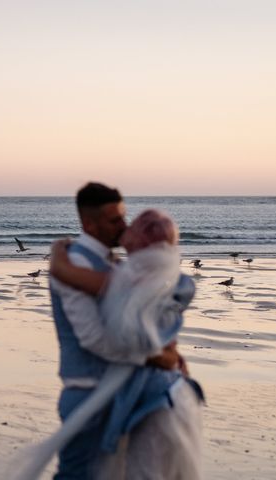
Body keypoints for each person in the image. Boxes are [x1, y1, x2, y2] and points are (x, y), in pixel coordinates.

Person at [47, 183, 190, 479]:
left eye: (124, 216)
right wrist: (155, 356)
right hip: (88, 394)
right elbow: (93, 338)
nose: (124, 225)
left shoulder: (115, 264)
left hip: (121, 395)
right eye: (114, 220)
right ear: (89, 223)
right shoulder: (76, 262)